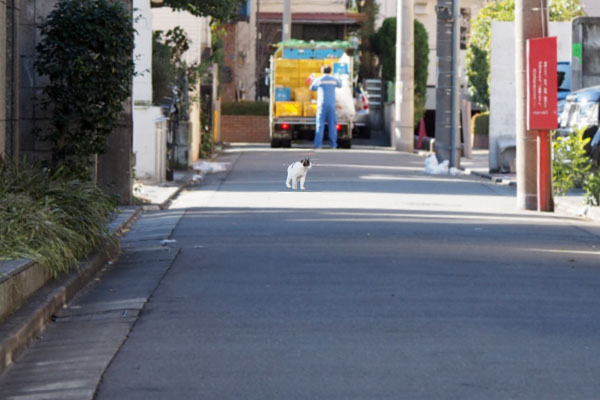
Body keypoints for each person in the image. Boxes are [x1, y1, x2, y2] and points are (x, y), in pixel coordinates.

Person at [309, 65, 342, 148]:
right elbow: (340, 85)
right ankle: (333, 145)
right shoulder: (334, 79)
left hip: (322, 104)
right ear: (330, 71)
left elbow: (312, 88)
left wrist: (313, 80)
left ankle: (318, 145)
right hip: (331, 104)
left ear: (322, 71)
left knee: (320, 124)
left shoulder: (319, 79)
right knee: (332, 124)